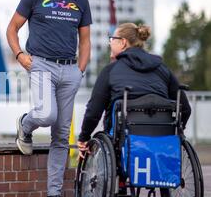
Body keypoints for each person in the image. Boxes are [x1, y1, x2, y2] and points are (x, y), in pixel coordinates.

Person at [6, 0, 92, 197]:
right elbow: (12, 28)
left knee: (61, 135)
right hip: (41, 63)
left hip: (69, 71)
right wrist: (20, 55)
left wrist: (80, 69)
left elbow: (85, 39)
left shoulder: (80, 0)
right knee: (46, 114)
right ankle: (25, 123)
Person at [77, 23, 191, 157]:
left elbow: (93, 112)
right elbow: (185, 108)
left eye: (112, 39)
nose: (110, 43)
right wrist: (177, 131)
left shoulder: (111, 70)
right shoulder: (162, 69)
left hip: (124, 143)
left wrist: (83, 138)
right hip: (161, 142)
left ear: (123, 42)